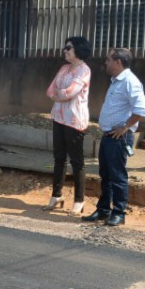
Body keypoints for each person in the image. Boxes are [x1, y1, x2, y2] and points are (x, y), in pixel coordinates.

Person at [82, 47, 145, 227]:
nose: (105, 63)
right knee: (105, 174)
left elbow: (142, 109)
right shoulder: (116, 81)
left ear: (118, 62)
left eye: (108, 60)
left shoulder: (130, 81)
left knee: (118, 176)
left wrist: (126, 127)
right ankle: (103, 209)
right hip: (108, 135)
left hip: (119, 137)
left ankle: (119, 212)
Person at [43, 36, 92, 216]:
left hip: (74, 120)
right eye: (65, 48)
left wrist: (60, 94)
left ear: (78, 50)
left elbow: (70, 93)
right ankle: (57, 195)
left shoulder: (84, 70)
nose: (65, 50)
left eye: (68, 48)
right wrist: (60, 94)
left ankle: (79, 200)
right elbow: (50, 91)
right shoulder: (64, 68)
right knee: (59, 158)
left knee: (77, 161)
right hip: (58, 117)